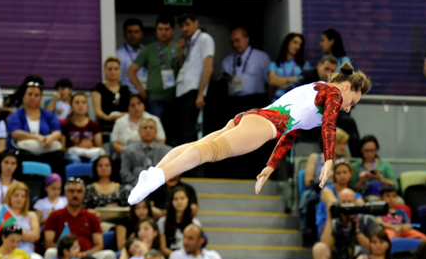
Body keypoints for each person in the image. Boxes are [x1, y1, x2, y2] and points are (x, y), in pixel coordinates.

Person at [130, 65, 370, 204]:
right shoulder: (334, 94)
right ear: (347, 87)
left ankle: (154, 172)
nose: (347, 108)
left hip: (256, 117)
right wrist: (329, 158)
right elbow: (330, 126)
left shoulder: (318, 92)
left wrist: (270, 166)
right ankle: (160, 177)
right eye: (352, 102)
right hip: (266, 124)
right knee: (210, 152)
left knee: (201, 144)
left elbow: (290, 134)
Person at [42, 178, 113, 259]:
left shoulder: (91, 216)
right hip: (63, 255)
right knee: (50, 252)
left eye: (79, 191)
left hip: (86, 257)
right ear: (65, 194)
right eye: (71, 191)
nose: (75, 195)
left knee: (109, 256)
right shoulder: (54, 215)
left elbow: (99, 244)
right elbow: (48, 243)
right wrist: (67, 253)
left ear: (83, 195)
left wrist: (85, 254)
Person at [127, 16, 178, 142]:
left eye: (167, 29)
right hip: (155, 99)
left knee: (175, 135)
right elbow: (131, 71)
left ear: (173, 30)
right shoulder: (149, 49)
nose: (163, 32)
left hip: (176, 99)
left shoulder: (179, 48)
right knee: (155, 134)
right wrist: (141, 91)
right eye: (160, 29)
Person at [173, 14, 217, 145]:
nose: (185, 29)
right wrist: (181, 50)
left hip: (194, 92)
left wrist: (200, 94)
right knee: (183, 132)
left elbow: (208, 67)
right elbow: (185, 67)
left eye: (187, 24)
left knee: (189, 133)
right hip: (183, 91)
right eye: (182, 26)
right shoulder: (189, 43)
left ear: (195, 23)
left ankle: (195, 165)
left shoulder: (204, 39)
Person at [221, 27, 270, 108]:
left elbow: (268, 82)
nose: (234, 45)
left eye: (237, 40)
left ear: (247, 39)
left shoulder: (262, 57)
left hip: (255, 100)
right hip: (233, 101)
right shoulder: (227, 60)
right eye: (232, 42)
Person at [122, 119, 172, 192]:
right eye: (145, 128)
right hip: (135, 187)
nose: (148, 130)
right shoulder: (128, 150)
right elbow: (124, 172)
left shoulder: (166, 151)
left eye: (151, 128)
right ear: (139, 131)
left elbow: (169, 171)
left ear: (156, 132)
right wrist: (140, 184)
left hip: (159, 188)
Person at [93, 57, 133, 134]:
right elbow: (98, 111)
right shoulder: (98, 89)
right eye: (110, 69)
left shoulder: (126, 90)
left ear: (120, 71)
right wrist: (109, 118)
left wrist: (124, 115)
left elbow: (131, 109)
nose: (113, 72)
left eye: (115, 69)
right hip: (105, 123)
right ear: (105, 71)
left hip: (124, 123)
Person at [61, 94, 104, 164]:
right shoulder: (65, 125)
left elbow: (99, 147)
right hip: (73, 155)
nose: (80, 105)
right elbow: (62, 149)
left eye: (83, 102)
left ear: (87, 106)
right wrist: (77, 147)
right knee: (75, 159)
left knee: (96, 160)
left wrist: (90, 146)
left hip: (90, 153)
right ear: (71, 106)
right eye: (77, 103)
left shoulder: (94, 125)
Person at [268, 33, 310, 100]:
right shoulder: (275, 64)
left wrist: (280, 82)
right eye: (295, 42)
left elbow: (305, 83)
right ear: (287, 42)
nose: (297, 46)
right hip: (278, 100)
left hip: (296, 100)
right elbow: (272, 81)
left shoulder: (304, 64)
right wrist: (291, 79)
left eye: (300, 44)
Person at [117, 18, 147, 86]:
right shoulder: (119, 55)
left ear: (141, 34)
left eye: (136, 32)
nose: (133, 35)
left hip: (147, 91)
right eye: (129, 32)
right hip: (129, 93)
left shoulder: (147, 51)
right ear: (124, 34)